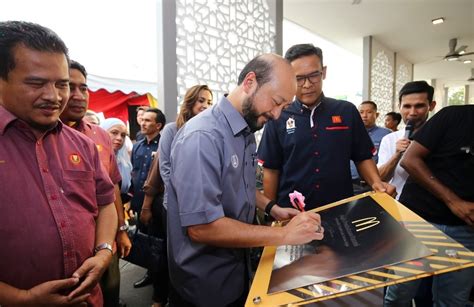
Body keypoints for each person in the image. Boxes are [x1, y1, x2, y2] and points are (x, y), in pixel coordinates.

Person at [167, 53, 325, 307]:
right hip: (205, 284)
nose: (276, 115)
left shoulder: (247, 131)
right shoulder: (203, 137)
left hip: (235, 270)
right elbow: (201, 227)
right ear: (250, 82)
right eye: (275, 102)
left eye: (283, 107)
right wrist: (284, 237)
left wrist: (272, 208)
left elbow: (239, 185)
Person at [0, 21, 117, 306]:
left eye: (61, 84)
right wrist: (20, 299)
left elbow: (104, 204)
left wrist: (103, 251)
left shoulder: (83, 144)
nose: (54, 97)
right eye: (36, 83)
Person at [258, 44, 394, 213]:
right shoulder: (278, 115)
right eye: (298, 78)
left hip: (340, 208)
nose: (307, 84)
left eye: (314, 75)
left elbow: (362, 156)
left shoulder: (346, 111)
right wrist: (272, 212)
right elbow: (271, 169)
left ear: (324, 72)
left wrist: (376, 182)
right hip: (293, 213)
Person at [384, 105, 474, 307]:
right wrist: (454, 201)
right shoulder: (454, 116)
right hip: (420, 222)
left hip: (465, 229)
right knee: (400, 294)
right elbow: (410, 160)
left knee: (453, 301)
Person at [60, 60, 131, 307]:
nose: (79, 96)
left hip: (104, 241)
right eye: (70, 86)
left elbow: (111, 187)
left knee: (109, 293)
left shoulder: (99, 135)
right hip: (65, 249)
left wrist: (120, 231)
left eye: (84, 88)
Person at [140, 85, 213, 307]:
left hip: (203, 207)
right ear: (190, 103)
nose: (205, 106)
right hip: (175, 206)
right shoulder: (172, 129)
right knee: (175, 258)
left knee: (197, 258)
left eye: (209, 102)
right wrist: (193, 197)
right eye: (201, 100)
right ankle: (168, 298)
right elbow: (167, 170)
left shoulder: (211, 131)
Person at [378, 81, 436, 198]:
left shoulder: (441, 138)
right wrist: (397, 154)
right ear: (399, 106)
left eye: (419, 106)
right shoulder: (389, 139)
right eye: (407, 106)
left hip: (433, 208)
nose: (412, 113)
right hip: (398, 206)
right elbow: (380, 178)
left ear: (431, 106)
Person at [130, 107, 166, 289]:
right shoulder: (137, 146)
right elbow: (134, 174)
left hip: (156, 205)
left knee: (158, 244)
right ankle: (150, 273)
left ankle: (160, 282)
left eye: (148, 121)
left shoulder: (164, 147)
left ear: (158, 125)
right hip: (138, 202)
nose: (143, 123)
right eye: (142, 120)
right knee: (144, 240)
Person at [350, 100, 391, 194]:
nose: (364, 115)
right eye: (361, 112)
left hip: (373, 185)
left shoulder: (386, 134)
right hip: (352, 184)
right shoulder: (350, 133)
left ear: (376, 115)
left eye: (369, 112)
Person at [100, 118, 133, 205]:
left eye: (123, 135)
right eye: (114, 133)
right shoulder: (94, 159)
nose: (119, 138)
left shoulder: (124, 161)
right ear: (102, 132)